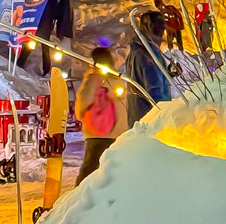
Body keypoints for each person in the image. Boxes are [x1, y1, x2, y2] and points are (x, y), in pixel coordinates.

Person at [73, 44, 128, 185]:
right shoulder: (118, 78)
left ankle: (77, 202)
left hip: (98, 132)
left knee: (89, 170)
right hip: (119, 132)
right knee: (112, 170)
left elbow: (82, 103)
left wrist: (83, 118)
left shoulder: (94, 78)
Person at [123, 11, 173, 127]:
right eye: (159, 27)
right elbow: (154, 89)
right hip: (151, 119)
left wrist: (168, 74)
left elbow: (143, 80)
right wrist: (164, 115)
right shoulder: (147, 54)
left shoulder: (138, 50)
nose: (162, 31)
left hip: (140, 115)